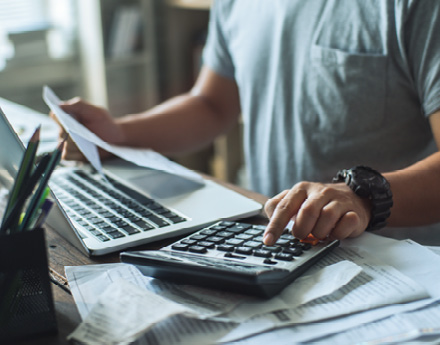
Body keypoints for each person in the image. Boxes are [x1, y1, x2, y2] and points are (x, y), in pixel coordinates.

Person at [54, 0, 440, 246]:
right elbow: (211, 104)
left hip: (391, 272)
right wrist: (118, 134)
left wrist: (363, 196)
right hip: (267, 245)